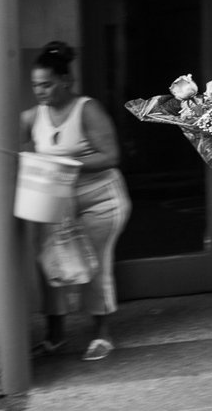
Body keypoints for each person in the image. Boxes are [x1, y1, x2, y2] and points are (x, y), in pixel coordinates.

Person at [20, 41, 131, 362]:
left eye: (47, 84)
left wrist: (65, 163)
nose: (40, 91)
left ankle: (102, 334)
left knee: (93, 263)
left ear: (66, 81)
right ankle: (55, 334)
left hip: (102, 200)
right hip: (58, 198)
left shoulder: (88, 109)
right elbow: (1, 145)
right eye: (35, 85)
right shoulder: (33, 116)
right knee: (49, 260)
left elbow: (111, 156)